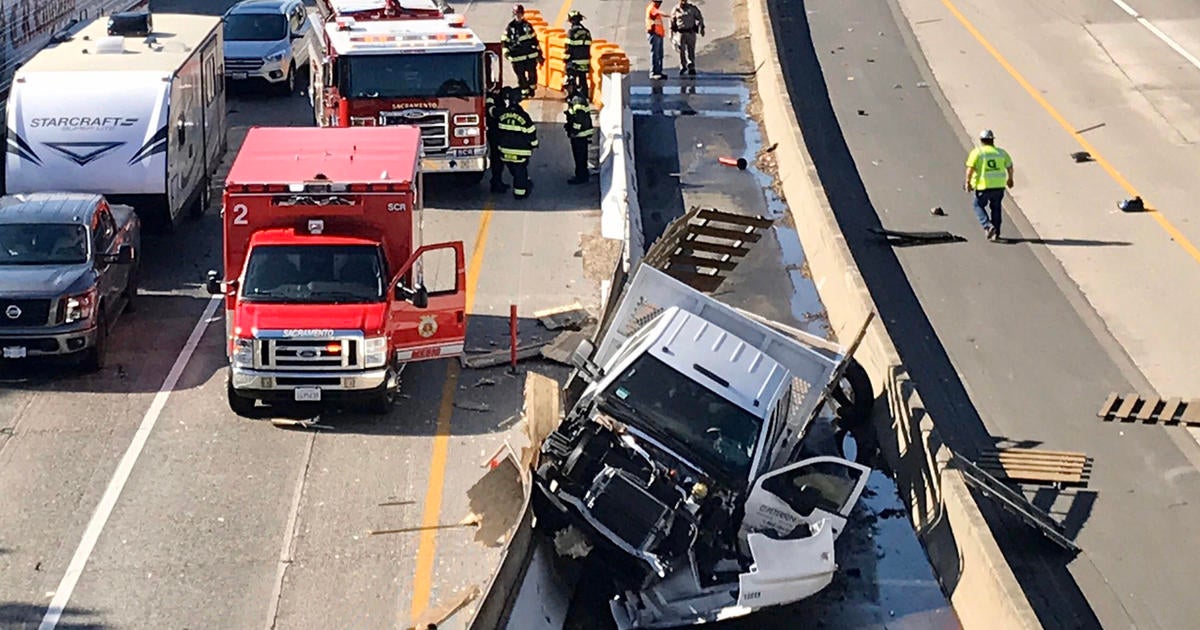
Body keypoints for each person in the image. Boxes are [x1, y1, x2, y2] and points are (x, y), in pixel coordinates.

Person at [964, 128, 1014, 241]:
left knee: (978, 205)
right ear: (992, 140)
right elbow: (1010, 166)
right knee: (996, 208)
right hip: (999, 187)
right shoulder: (1001, 153)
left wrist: (968, 182)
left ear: (981, 140)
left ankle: (988, 225)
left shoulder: (977, 153)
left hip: (983, 186)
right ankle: (996, 232)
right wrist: (1010, 179)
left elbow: (970, 169)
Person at [496, 87, 539, 199]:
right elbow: (531, 132)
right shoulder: (524, 117)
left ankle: (523, 182)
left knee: (514, 169)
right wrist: (534, 144)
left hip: (504, 152)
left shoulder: (502, 114)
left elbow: (493, 115)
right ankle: (520, 193)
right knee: (520, 171)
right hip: (520, 153)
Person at [503, 4, 542, 98]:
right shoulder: (510, 27)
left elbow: (534, 39)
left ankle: (532, 89)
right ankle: (525, 92)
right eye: (517, 14)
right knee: (521, 76)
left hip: (529, 55)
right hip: (517, 57)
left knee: (532, 74)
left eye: (520, 14)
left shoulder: (527, 26)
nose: (518, 16)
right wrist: (506, 53)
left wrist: (539, 53)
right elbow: (505, 41)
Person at [564, 89, 594, 185]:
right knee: (581, 156)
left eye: (567, 87)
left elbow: (579, 119)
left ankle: (581, 176)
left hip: (580, 134)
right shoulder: (575, 98)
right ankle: (582, 174)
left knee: (579, 156)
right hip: (580, 134)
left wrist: (574, 130)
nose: (566, 90)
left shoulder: (577, 100)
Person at [669, 0, 704, 76]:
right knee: (681, 50)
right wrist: (671, 35)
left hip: (690, 32)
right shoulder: (675, 9)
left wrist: (701, 28)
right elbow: (672, 22)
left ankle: (691, 66)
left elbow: (700, 17)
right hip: (680, 33)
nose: (684, 2)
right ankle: (683, 66)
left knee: (691, 49)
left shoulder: (692, 9)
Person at [485, 85, 508, 193]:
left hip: (498, 132)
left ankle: (498, 181)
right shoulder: (491, 98)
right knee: (497, 158)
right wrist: (505, 112)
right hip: (494, 132)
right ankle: (496, 182)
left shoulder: (498, 98)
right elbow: (491, 111)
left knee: (499, 159)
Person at [564, 11, 592, 97]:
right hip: (585, 61)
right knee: (583, 79)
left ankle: (573, 96)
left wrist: (566, 59)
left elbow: (568, 48)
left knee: (571, 78)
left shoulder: (571, 33)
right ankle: (585, 96)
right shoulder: (587, 32)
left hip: (574, 62)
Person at [645, 0, 666, 80]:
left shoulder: (654, 8)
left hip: (658, 34)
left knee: (660, 54)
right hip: (654, 34)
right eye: (659, 2)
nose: (660, 4)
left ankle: (659, 71)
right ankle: (654, 72)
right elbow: (657, 12)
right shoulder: (652, 8)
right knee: (655, 54)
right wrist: (669, 15)